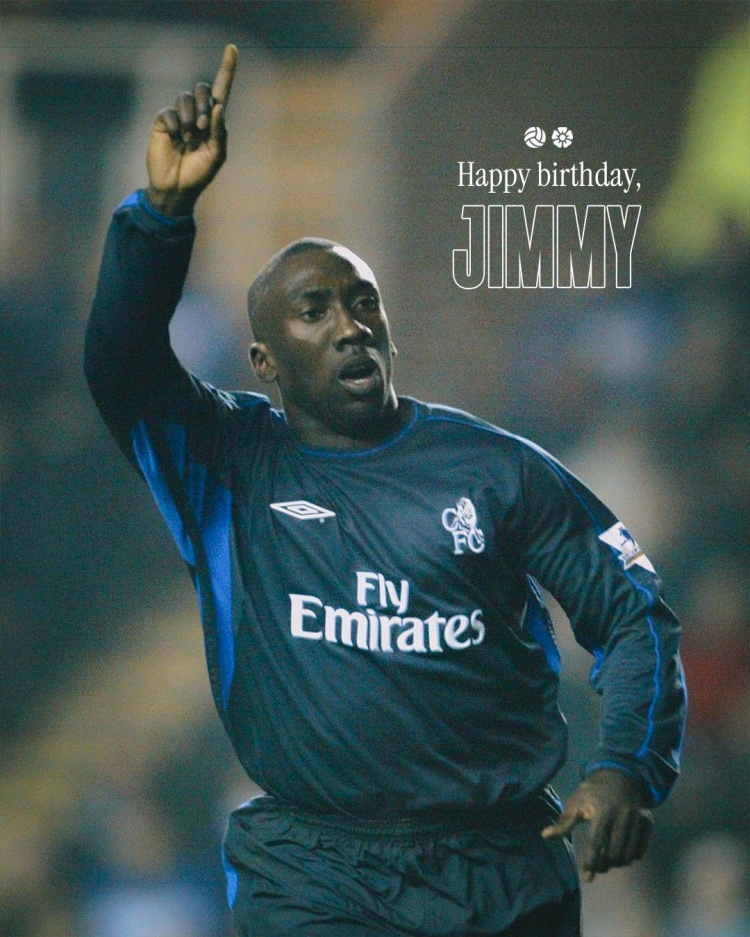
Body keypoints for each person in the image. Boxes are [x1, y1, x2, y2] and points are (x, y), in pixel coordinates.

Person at [85, 45, 686, 937]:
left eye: (363, 302)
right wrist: (162, 215)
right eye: (315, 311)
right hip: (312, 869)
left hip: (501, 868)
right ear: (264, 361)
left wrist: (626, 765)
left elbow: (633, 613)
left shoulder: (500, 469)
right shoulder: (227, 459)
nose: (350, 326)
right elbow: (121, 365)